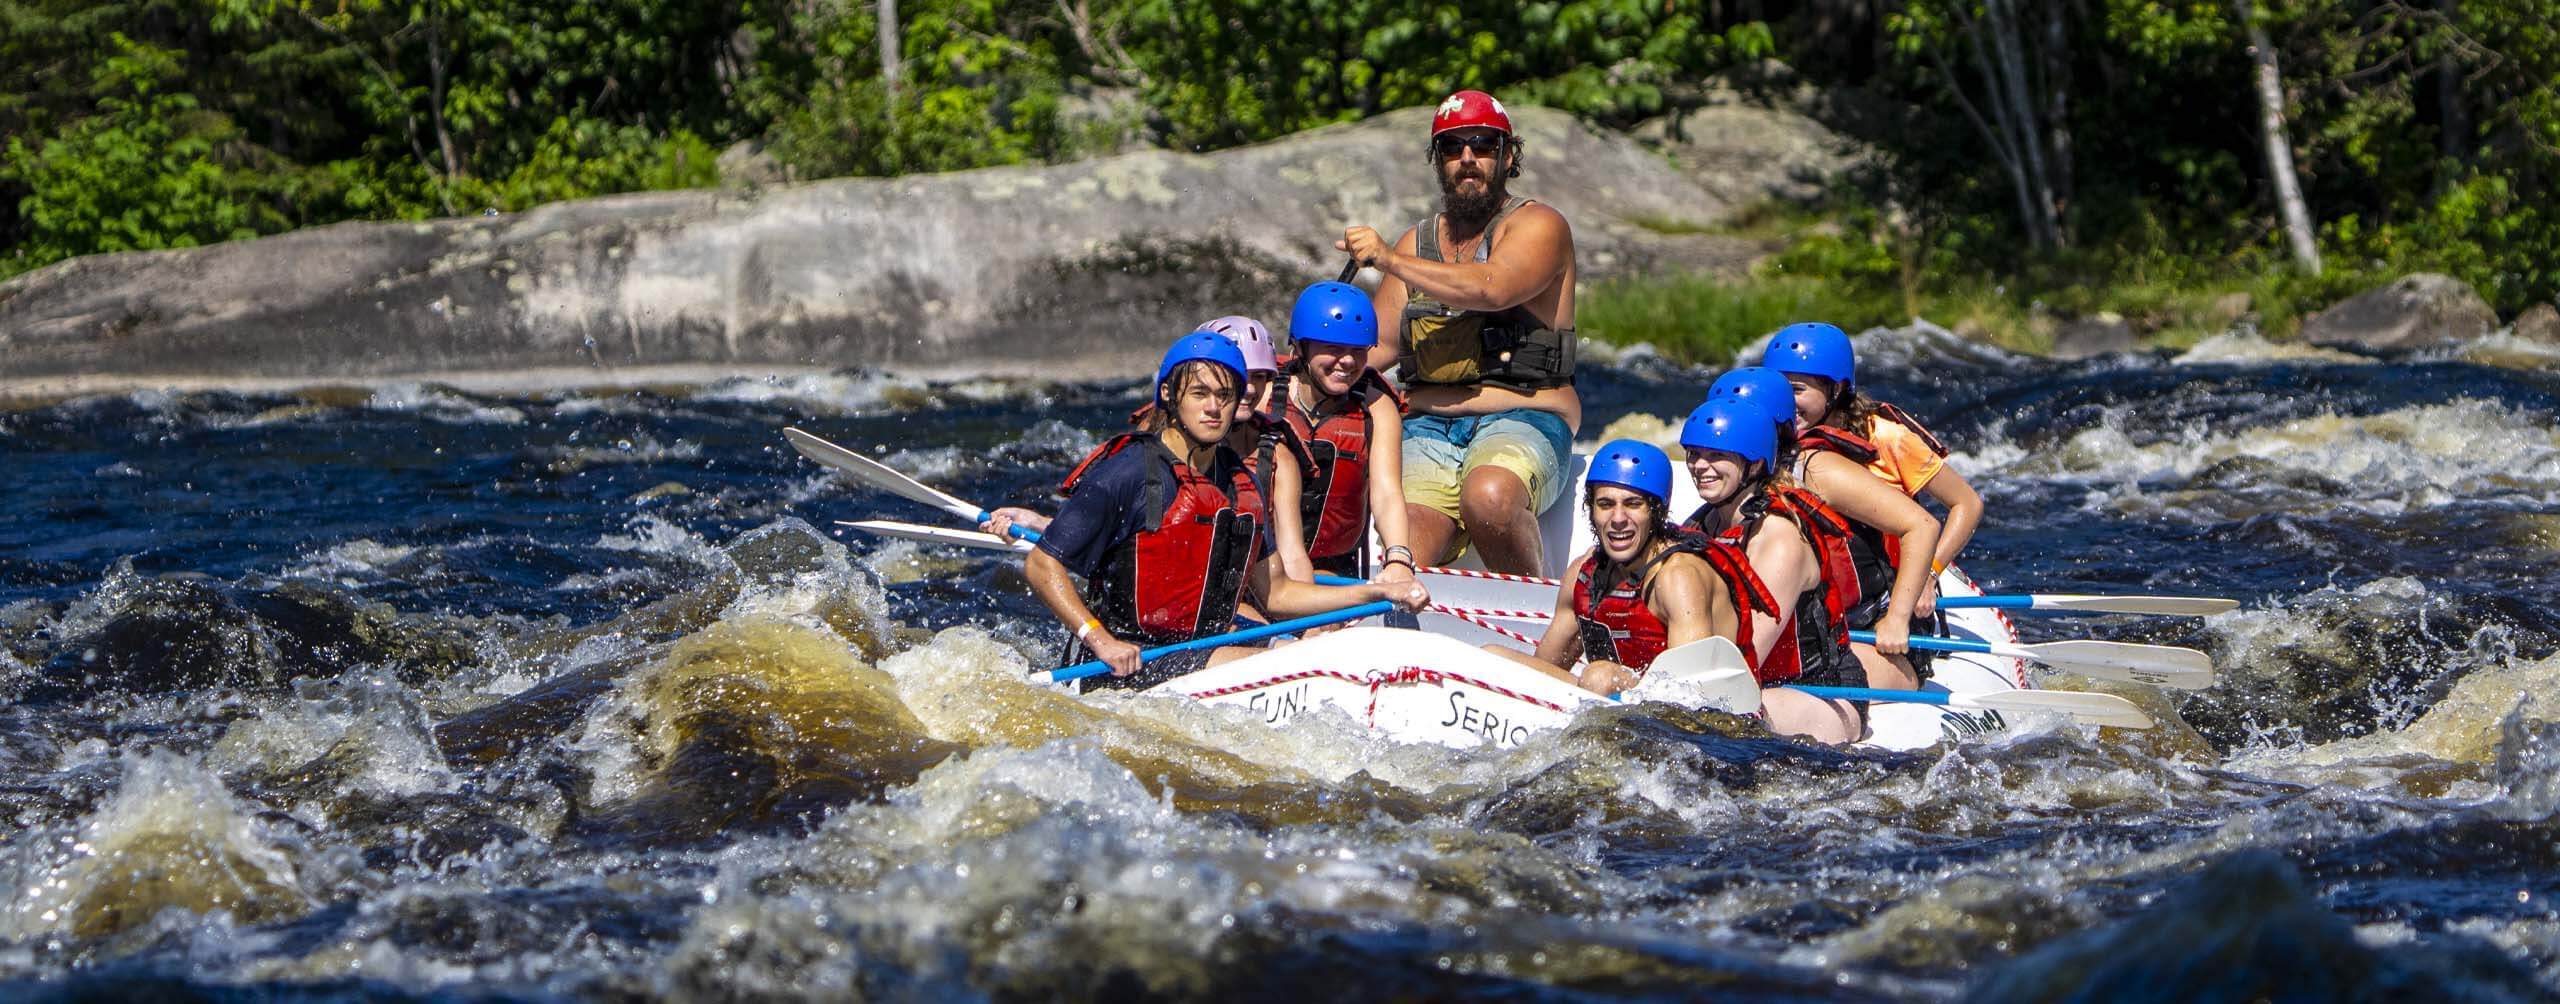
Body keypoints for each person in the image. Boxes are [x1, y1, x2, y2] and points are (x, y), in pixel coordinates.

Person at [1020, 333, 1429, 689]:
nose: (1213, 408)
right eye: (1200, 394)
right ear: (1168, 395)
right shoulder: (1127, 471)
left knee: (1322, 656)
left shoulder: (1241, 486)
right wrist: (1100, 640)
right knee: (1299, 670)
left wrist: (1377, 591)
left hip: (1201, 653)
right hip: (1124, 662)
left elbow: (1279, 594)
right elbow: (1042, 565)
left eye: (1225, 396)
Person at [1337, 89, 1579, 576]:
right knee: (1407, 535)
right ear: (1439, 162)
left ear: (1508, 156)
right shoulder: (1417, 243)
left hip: (1525, 417)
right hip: (1428, 426)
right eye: (1452, 148)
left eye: (1483, 145)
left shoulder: (1540, 225)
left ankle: (1534, 624)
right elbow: (1380, 346)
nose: (1468, 158)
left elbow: (1493, 288)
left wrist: (1387, 259)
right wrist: (1292, 378)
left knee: (1488, 497)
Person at [1760, 323, 1973, 689]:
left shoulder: (1887, 437)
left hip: (1887, 584)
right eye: (1779, 389)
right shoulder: (1780, 440)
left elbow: (1966, 503)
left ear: (1837, 389)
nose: (1786, 402)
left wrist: (1929, 574)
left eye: (1798, 390)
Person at [1485, 440, 1741, 696]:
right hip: (1616, 699)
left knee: (1599, 677)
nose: (1618, 519)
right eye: (1606, 504)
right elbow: (1543, 670)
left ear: (1655, 512)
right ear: (1592, 510)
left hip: (1708, 717)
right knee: (1492, 658)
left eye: (1633, 504)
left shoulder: (1679, 577)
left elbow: (1692, 694)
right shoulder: (1583, 574)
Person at [1677, 400, 1866, 743]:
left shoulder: (1780, 539)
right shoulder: (1703, 523)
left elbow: (1745, 656)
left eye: (1716, 455)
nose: (1700, 466)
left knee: (1726, 715)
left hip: (1822, 690)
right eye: (1693, 454)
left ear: (1754, 462)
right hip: (1757, 684)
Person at [1273, 282, 1417, 583]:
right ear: (1300, 348)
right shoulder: (1264, 395)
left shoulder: (1376, 407)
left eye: (1358, 350)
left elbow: (1387, 493)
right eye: (1334, 348)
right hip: (1264, 563)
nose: (1348, 361)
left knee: (1319, 630)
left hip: (1334, 568)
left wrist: (1399, 558)